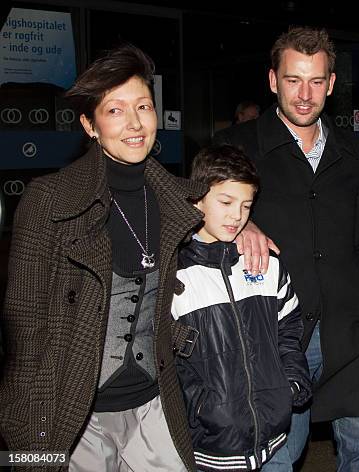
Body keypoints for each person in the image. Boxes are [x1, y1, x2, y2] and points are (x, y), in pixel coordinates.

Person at [0, 44, 271, 472]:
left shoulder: (179, 200)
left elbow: (227, 207)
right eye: (115, 110)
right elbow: (25, 328)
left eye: (143, 106)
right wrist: (27, 441)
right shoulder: (48, 202)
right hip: (76, 411)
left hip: (154, 402)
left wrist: (249, 224)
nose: (134, 123)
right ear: (89, 125)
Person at [214, 26, 359, 471]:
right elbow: (194, 209)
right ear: (272, 80)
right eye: (293, 80)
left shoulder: (351, 151)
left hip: (347, 330)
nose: (305, 94)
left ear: (331, 84)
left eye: (316, 81)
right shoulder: (236, 147)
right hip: (277, 336)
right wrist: (242, 223)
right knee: (281, 457)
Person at [172, 144, 311, 471]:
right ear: (197, 199)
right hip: (212, 449)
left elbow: (289, 330)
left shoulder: (267, 265)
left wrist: (287, 387)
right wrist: (200, 412)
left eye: (247, 205)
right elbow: (169, 363)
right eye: (226, 202)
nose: (237, 215)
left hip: (274, 440)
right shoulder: (175, 278)